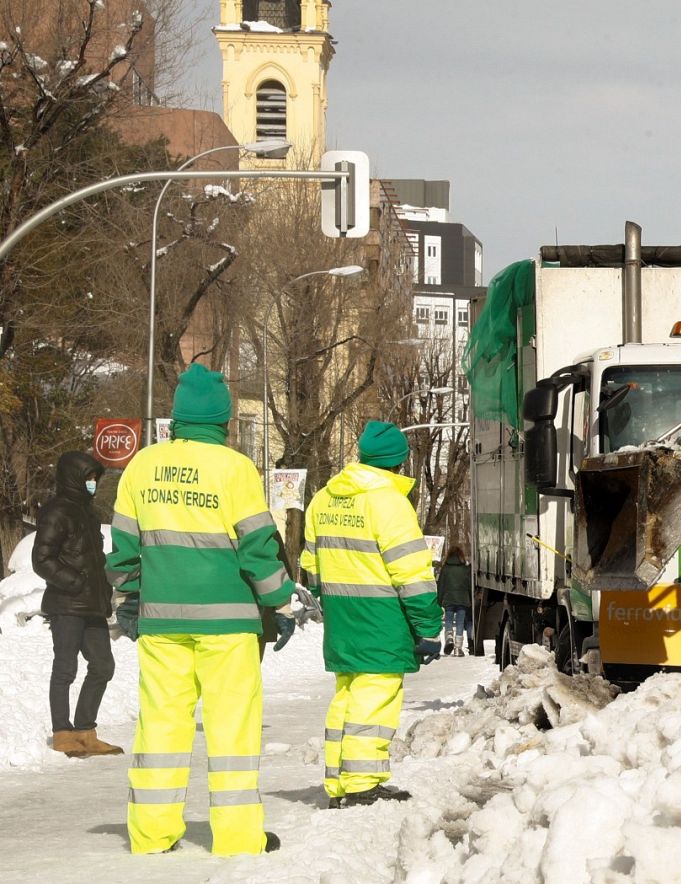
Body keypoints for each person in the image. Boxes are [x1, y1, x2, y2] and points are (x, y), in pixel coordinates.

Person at [106, 363, 293, 855]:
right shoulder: (235, 468)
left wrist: (131, 598)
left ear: (178, 417)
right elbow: (257, 548)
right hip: (228, 625)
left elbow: (123, 549)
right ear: (224, 421)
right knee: (232, 726)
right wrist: (280, 600)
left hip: (163, 622)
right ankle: (238, 837)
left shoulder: (142, 466)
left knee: (161, 724)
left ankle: (150, 835)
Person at [300, 421, 443, 809]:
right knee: (375, 700)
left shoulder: (324, 498)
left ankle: (338, 780)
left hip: (341, 619)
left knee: (346, 698)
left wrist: (331, 600)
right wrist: (429, 627)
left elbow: (311, 566)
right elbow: (412, 573)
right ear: (398, 463)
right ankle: (362, 782)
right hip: (381, 618)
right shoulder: (389, 503)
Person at [35, 450, 121, 758]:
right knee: (65, 668)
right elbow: (41, 560)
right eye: (88, 478)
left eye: (95, 478)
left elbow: (94, 561)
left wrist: (103, 595)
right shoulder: (57, 511)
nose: (93, 483)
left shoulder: (89, 513)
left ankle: (85, 731)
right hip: (67, 604)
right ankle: (62, 732)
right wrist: (76, 583)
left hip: (92, 606)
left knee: (103, 666)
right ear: (73, 477)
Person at [437, 545, 472, 657]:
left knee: (448, 621)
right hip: (462, 599)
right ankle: (458, 648)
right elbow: (469, 585)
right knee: (460, 623)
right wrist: (470, 599)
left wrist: (439, 600)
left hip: (449, 598)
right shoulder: (465, 569)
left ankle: (449, 638)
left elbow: (441, 585)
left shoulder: (445, 568)